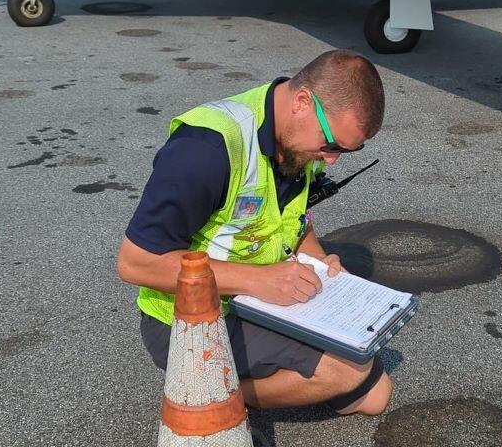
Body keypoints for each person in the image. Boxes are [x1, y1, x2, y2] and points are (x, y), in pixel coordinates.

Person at [117, 50, 391, 416]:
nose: (331, 160)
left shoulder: (296, 139)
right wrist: (258, 279)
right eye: (332, 145)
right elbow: (136, 263)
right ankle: (203, 397)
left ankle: (227, 384)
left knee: (375, 396)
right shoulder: (206, 150)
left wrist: (319, 260)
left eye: (346, 151)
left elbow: (293, 219)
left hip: (258, 304)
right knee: (344, 370)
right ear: (302, 102)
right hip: (190, 318)